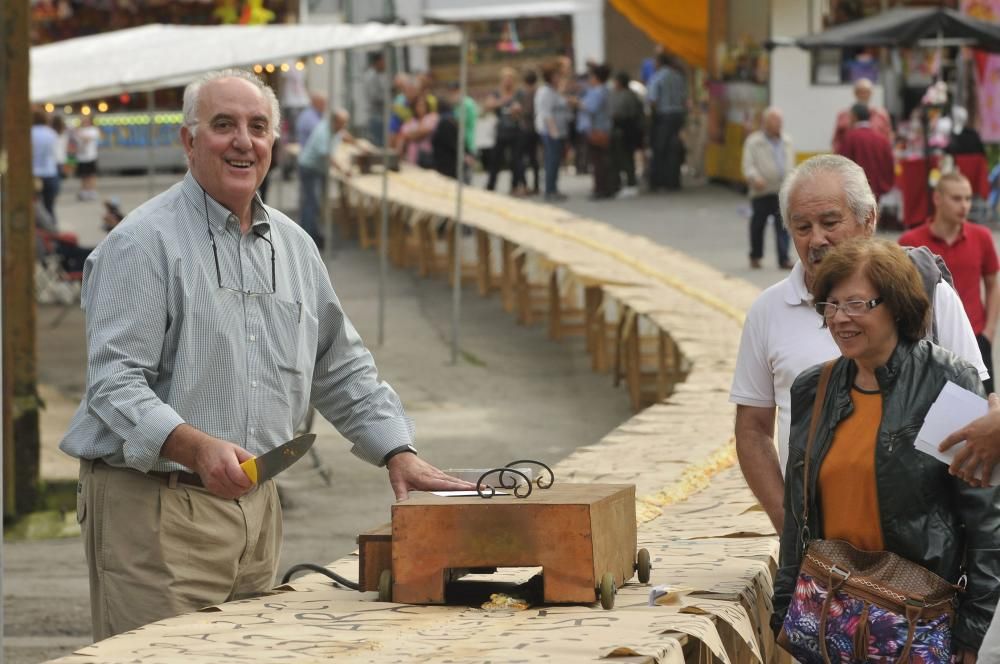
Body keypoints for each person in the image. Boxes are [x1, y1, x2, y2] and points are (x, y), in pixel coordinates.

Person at [61, 69, 472, 641]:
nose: (242, 141)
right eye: (223, 125)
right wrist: (196, 446)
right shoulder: (141, 244)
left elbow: (339, 363)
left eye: (257, 127)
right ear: (189, 141)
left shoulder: (295, 245)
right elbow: (115, 384)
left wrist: (396, 450)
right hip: (157, 510)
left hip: (257, 505)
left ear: (273, 144)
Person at [729, 155, 986, 532]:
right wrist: (789, 526)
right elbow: (752, 429)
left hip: (926, 547)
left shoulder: (926, 293)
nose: (817, 239)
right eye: (802, 227)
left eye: (830, 222)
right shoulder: (769, 311)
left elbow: (975, 414)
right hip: (820, 548)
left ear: (869, 220)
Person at [772, 237, 999, 662]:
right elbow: (797, 513)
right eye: (831, 305)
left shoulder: (947, 382)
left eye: (856, 304)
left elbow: (985, 521)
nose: (841, 319)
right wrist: (783, 607)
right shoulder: (813, 388)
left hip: (916, 619)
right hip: (829, 616)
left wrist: (972, 632)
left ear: (895, 305)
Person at [899, 173, 999, 392]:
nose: (964, 205)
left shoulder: (982, 236)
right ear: (937, 199)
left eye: (968, 198)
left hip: (976, 337)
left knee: (984, 409)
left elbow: (993, 284)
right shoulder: (911, 241)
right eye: (956, 198)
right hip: (929, 343)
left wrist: (989, 331)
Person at [741, 106, 794, 270]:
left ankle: (784, 258)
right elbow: (747, 165)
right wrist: (754, 178)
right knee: (758, 224)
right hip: (761, 190)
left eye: (780, 121)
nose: (779, 124)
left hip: (782, 191)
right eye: (775, 121)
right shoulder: (754, 141)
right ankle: (755, 255)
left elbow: (791, 164)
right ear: (765, 122)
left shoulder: (787, 140)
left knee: (783, 226)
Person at [297, 108, 355, 249]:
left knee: (314, 203)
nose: (344, 126)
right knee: (312, 203)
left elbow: (345, 135)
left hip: (318, 169)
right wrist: (343, 170)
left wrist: (357, 143)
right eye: (342, 123)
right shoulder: (323, 132)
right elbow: (326, 156)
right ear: (334, 122)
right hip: (310, 169)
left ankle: (310, 234)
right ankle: (307, 238)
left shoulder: (336, 129)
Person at [646, 52, 687, 192]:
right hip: (678, 115)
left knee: (660, 149)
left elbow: (652, 100)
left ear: (659, 62)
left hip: (663, 116)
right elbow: (684, 98)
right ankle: (673, 180)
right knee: (674, 148)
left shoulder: (657, 78)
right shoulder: (678, 77)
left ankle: (660, 181)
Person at [836, 103, 895, 202]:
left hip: (855, 192)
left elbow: (841, 164)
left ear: (854, 117)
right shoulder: (882, 139)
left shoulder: (850, 138)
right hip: (876, 192)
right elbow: (889, 163)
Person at [535, 61, 571, 202]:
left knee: (556, 161)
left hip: (559, 130)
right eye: (557, 76)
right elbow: (546, 114)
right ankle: (550, 189)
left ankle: (554, 188)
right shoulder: (545, 92)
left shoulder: (553, 91)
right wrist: (553, 132)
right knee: (552, 161)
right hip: (551, 132)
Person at [485, 67, 525, 195]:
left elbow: (524, 109)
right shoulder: (497, 93)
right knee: (496, 160)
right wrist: (503, 101)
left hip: (515, 130)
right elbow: (488, 105)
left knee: (516, 160)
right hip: (501, 131)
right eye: (506, 79)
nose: (508, 81)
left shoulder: (518, 93)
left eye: (510, 79)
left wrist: (517, 111)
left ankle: (515, 185)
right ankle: (491, 185)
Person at [578, 64, 614, 200]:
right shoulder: (604, 90)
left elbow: (590, 108)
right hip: (602, 128)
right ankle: (605, 188)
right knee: (601, 160)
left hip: (597, 129)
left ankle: (601, 189)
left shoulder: (598, 91)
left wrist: (577, 103)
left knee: (598, 161)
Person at [831, 77, 892, 153]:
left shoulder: (881, 115)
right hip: (850, 158)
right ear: (855, 93)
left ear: (871, 93)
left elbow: (888, 138)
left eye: (866, 92)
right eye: (860, 92)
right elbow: (836, 140)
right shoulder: (843, 115)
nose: (863, 95)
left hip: (874, 156)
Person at [609, 70, 643, 199]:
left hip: (625, 130)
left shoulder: (625, 95)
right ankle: (630, 183)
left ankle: (631, 183)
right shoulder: (629, 94)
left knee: (626, 157)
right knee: (625, 157)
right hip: (628, 130)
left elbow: (620, 113)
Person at [31, 110, 60, 221]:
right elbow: (55, 153)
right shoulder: (51, 133)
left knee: (35, 206)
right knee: (49, 206)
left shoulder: (29, 133)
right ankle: (52, 228)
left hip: (34, 173)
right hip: (50, 171)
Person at [398, 95, 439, 168]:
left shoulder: (432, 117)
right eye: (418, 105)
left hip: (428, 156)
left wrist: (410, 135)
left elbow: (423, 133)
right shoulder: (411, 121)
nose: (420, 108)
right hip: (412, 157)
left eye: (423, 105)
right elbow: (402, 136)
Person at [362, 52, 388, 147]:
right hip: (376, 115)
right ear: (378, 62)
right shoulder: (371, 76)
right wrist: (388, 96)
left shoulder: (379, 75)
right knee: (378, 143)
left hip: (379, 115)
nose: (385, 64)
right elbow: (374, 96)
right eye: (383, 62)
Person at [74, 115, 100, 201]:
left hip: (90, 156)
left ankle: (92, 191)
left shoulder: (93, 130)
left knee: (91, 175)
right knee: (83, 176)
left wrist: (78, 133)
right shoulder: (79, 130)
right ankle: (84, 191)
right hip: (81, 157)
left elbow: (87, 139)